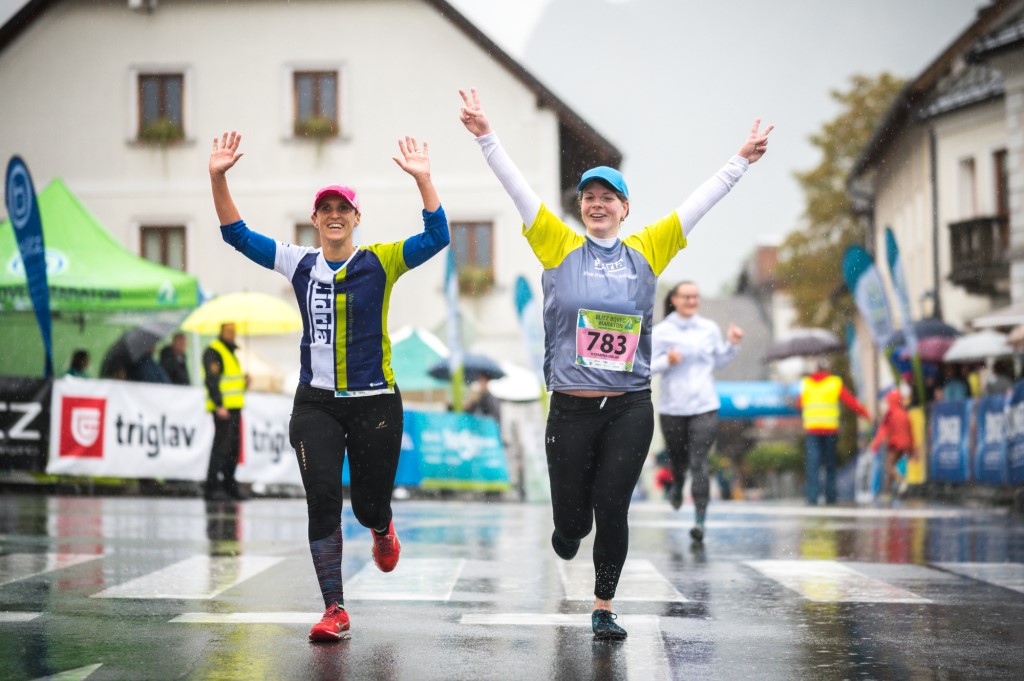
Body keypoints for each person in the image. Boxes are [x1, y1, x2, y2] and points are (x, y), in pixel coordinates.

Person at [459, 87, 771, 639]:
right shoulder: (557, 245)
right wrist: (486, 136)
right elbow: (518, 189)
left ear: (626, 208)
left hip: (629, 407)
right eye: (589, 197)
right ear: (580, 207)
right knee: (572, 522)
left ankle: (603, 606)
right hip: (570, 410)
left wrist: (740, 161)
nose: (598, 203)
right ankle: (567, 528)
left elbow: (699, 204)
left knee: (612, 506)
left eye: (609, 197)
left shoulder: (648, 250)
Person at [209, 130, 448, 642]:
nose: (334, 215)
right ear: (315, 219)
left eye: (343, 208)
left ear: (357, 218)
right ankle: (334, 609)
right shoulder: (298, 262)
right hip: (315, 403)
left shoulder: (381, 260)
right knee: (322, 498)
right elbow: (236, 234)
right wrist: (218, 177)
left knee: (367, 506)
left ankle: (381, 527)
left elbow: (437, 237)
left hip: (375, 402)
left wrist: (424, 180)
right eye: (326, 209)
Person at [651, 280, 742, 543]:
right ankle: (678, 483)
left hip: (705, 405)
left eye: (695, 297)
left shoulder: (709, 328)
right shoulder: (661, 332)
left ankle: (699, 521)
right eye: (686, 297)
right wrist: (666, 361)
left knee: (699, 462)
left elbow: (719, 361)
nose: (692, 301)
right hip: (673, 407)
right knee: (678, 461)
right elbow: (646, 368)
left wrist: (732, 344)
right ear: (674, 300)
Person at [797, 360, 872, 505]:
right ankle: (830, 496)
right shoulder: (834, 383)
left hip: (812, 430)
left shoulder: (806, 384)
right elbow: (850, 401)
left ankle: (812, 497)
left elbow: (799, 404)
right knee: (830, 464)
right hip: (829, 430)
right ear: (828, 369)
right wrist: (865, 414)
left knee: (813, 464)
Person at [202, 322, 246, 503]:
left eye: (233, 331)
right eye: (228, 331)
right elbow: (211, 380)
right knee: (221, 448)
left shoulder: (230, 352)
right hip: (223, 409)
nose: (232, 335)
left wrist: (245, 382)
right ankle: (212, 487)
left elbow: (231, 382)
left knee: (233, 450)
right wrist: (218, 404)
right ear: (221, 332)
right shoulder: (214, 351)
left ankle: (229, 485)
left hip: (234, 408)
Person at [870, 388, 914, 497]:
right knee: (893, 466)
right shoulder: (904, 413)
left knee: (889, 466)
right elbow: (910, 432)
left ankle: (901, 482)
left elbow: (883, 429)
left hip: (895, 444)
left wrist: (875, 444)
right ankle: (892, 491)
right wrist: (912, 449)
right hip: (905, 445)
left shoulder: (890, 413)